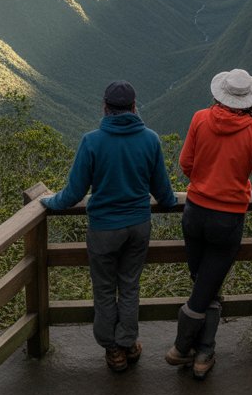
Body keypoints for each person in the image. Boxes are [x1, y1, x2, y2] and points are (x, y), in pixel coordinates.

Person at [167, 68, 252, 380]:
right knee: (207, 286)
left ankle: (201, 354)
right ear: (250, 102)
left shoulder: (199, 118)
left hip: (194, 213)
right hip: (226, 221)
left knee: (204, 283)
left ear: (220, 94)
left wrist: (206, 182)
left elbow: (186, 164)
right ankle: (182, 347)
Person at [41, 80, 177, 373]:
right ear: (134, 107)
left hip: (103, 228)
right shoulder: (150, 139)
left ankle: (113, 350)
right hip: (138, 225)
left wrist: (48, 202)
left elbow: (73, 193)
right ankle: (128, 342)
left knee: (104, 290)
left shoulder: (92, 142)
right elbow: (163, 192)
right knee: (129, 286)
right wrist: (174, 202)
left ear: (104, 107)